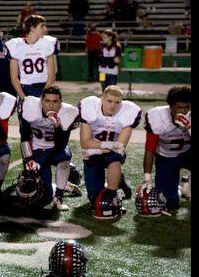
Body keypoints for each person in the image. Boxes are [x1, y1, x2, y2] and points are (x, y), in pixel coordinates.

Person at [77, 85, 141, 218]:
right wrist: (107, 146)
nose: (113, 106)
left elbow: (119, 147)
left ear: (121, 103)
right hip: (93, 153)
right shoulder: (89, 107)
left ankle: (113, 193)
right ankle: (120, 180)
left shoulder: (128, 111)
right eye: (109, 101)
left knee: (115, 158)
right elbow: (85, 142)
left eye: (117, 102)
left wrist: (102, 148)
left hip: (107, 152)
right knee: (95, 199)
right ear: (102, 99)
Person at [19, 86, 79, 211]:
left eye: (55, 101)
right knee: (43, 196)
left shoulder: (68, 112)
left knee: (64, 161)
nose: (51, 105)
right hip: (36, 150)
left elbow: (61, 145)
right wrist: (29, 159)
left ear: (60, 103)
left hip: (54, 150)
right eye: (47, 101)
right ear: (41, 101)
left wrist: (57, 127)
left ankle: (59, 197)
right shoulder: (29, 107)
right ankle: (62, 185)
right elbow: (24, 137)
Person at [142, 86, 191, 215]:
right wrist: (147, 176)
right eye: (180, 107)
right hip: (166, 158)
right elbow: (150, 148)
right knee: (170, 202)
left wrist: (189, 127)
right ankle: (182, 188)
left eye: (187, 107)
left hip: (188, 153)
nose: (184, 111)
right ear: (171, 106)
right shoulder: (158, 116)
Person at [7, 14, 58, 101]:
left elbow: (52, 75)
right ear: (32, 28)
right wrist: (24, 98)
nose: (45, 29)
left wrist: (43, 96)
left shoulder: (48, 43)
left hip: (45, 87)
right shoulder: (16, 45)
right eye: (42, 26)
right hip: (25, 89)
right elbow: (14, 78)